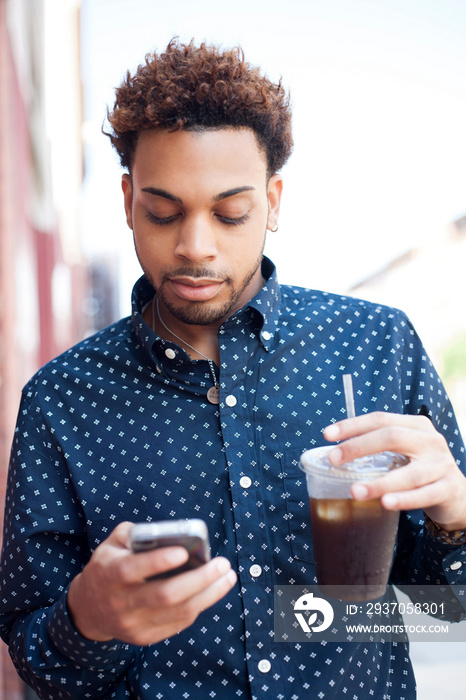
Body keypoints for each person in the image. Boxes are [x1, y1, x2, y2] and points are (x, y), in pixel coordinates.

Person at [1, 37, 466, 700]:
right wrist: (89, 622)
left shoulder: (376, 347)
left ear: (274, 202)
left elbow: (448, 615)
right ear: (128, 199)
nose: (195, 246)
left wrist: (457, 514)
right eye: (163, 212)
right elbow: (33, 656)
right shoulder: (61, 401)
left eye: (231, 213)